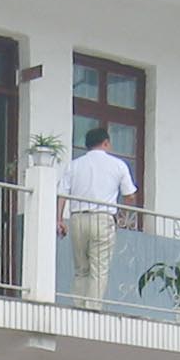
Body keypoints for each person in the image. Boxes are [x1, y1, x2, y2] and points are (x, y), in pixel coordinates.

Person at [57, 125, 136, 307]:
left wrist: (59, 219)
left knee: (81, 269)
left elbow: (62, 194)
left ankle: (78, 308)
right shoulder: (118, 165)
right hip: (103, 218)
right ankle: (92, 310)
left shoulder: (74, 165)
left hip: (77, 218)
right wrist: (123, 216)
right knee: (99, 269)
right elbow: (130, 195)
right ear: (106, 143)